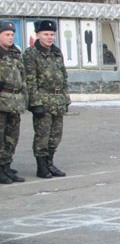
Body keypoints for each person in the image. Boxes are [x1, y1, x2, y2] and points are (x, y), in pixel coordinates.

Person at [23, 20, 69, 179]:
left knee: (56, 135)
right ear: (38, 35)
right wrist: (35, 103)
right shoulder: (31, 54)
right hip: (43, 99)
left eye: (51, 34)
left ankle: (50, 162)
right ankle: (41, 166)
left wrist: (66, 99)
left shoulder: (56, 53)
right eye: (46, 34)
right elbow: (30, 80)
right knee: (42, 135)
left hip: (57, 100)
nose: (49, 37)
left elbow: (63, 77)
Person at [0, 20, 27, 183]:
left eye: (12, 34)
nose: (10, 37)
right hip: (1, 101)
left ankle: (6, 166)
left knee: (12, 137)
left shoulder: (15, 53)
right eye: (7, 34)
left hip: (14, 101)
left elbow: (22, 77)